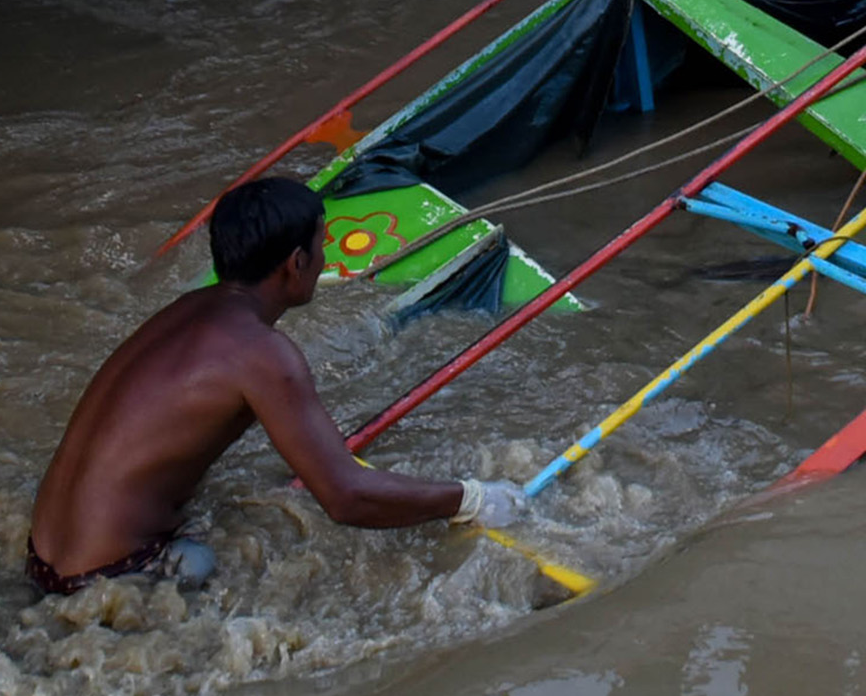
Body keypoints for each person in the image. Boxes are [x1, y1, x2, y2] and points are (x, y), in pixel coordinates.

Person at [26, 178, 508, 596]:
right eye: (322, 246)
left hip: (41, 560)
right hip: (111, 579)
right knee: (211, 567)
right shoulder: (262, 354)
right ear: (294, 263)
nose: (324, 259)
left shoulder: (187, 309)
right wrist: (471, 499)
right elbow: (346, 497)